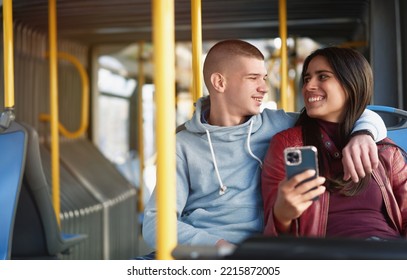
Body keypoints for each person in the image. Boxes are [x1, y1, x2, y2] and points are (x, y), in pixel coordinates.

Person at [142, 40, 388, 251]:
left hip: (266, 248)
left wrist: (364, 134)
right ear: (219, 82)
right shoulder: (182, 144)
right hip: (205, 251)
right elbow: (156, 223)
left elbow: (348, 113)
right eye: (253, 78)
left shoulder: (281, 124)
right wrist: (220, 248)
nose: (264, 88)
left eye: (264, 78)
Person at [261, 46, 407, 238]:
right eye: (306, 79)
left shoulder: (385, 150)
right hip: (326, 258)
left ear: (351, 83)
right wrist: (282, 214)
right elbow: (275, 236)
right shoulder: (288, 144)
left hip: (386, 252)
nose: (308, 86)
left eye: (322, 76)